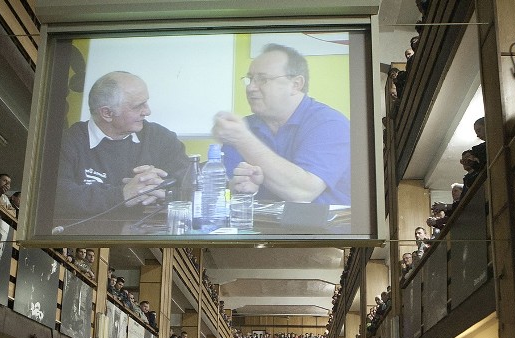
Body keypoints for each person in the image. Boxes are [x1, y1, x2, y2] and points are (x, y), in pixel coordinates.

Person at [214, 43, 351, 205]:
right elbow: (222, 197)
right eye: (250, 79)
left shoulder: (330, 124)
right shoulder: (244, 126)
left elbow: (303, 192)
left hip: (323, 229)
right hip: (260, 227)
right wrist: (237, 188)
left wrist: (243, 140)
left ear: (296, 84)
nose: (251, 88)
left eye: (262, 79)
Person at [53, 71, 189, 228]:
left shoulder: (161, 138)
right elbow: (58, 196)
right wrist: (123, 194)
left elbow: (190, 182)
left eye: (146, 102)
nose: (147, 111)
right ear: (107, 113)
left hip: (145, 244)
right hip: (84, 241)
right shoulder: (68, 142)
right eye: (138, 106)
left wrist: (165, 191)